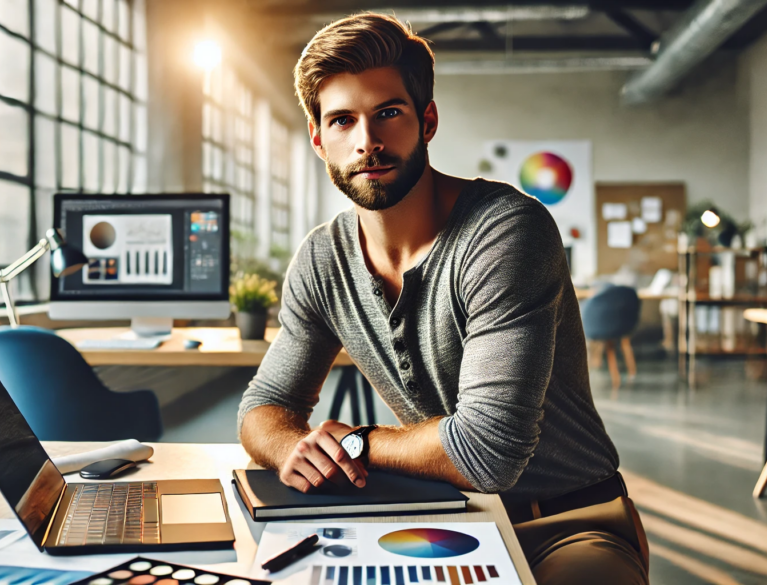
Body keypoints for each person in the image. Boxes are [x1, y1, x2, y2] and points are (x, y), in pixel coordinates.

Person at [237, 13, 649, 584]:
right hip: (438, 518)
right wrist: (290, 449)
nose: (367, 141)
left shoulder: (507, 232)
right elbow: (263, 408)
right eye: (342, 120)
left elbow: (487, 450)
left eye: (388, 113)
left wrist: (354, 443)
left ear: (426, 120)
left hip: (566, 523)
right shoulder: (322, 260)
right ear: (317, 137)